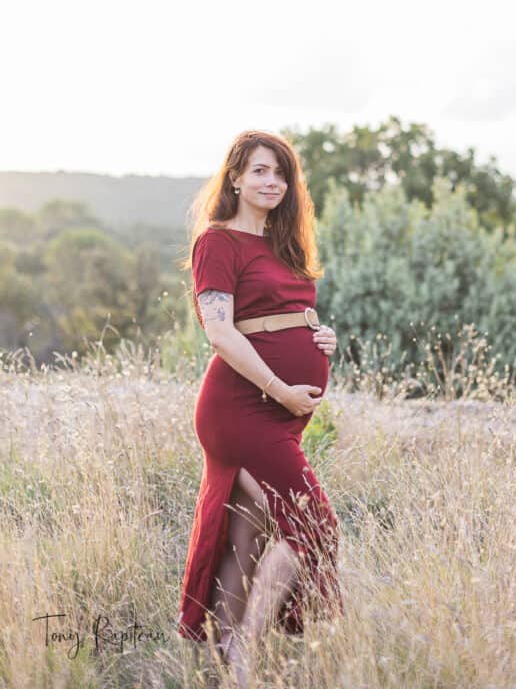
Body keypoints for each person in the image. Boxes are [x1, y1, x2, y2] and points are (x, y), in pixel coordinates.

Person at [176, 129, 344, 684]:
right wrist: (281, 387)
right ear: (235, 179)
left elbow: (287, 312)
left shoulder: (282, 243)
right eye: (259, 172)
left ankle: (222, 652)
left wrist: (319, 336)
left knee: (248, 532)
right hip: (240, 410)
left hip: (281, 411)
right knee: (314, 526)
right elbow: (221, 333)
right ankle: (245, 648)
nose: (272, 182)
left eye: (281, 173)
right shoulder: (217, 243)